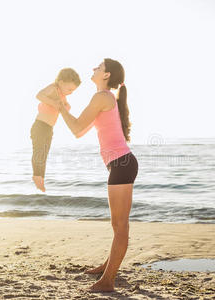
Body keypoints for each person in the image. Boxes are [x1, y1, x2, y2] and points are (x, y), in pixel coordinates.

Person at [58, 58, 139, 292]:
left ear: (106, 75)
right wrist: (63, 107)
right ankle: (108, 266)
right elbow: (80, 131)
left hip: (122, 164)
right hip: (120, 164)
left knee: (120, 226)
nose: (94, 68)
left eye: (99, 67)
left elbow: (74, 128)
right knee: (117, 225)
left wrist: (60, 105)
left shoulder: (102, 97)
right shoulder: (104, 99)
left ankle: (108, 280)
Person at [31, 68, 81, 192]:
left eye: (73, 91)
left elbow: (65, 108)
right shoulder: (53, 88)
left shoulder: (62, 95)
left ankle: (40, 178)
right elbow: (39, 95)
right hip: (40, 126)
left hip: (48, 128)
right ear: (61, 82)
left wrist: (65, 105)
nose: (71, 92)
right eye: (70, 89)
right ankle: (37, 176)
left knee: (44, 153)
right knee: (39, 151)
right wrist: (54, 103)